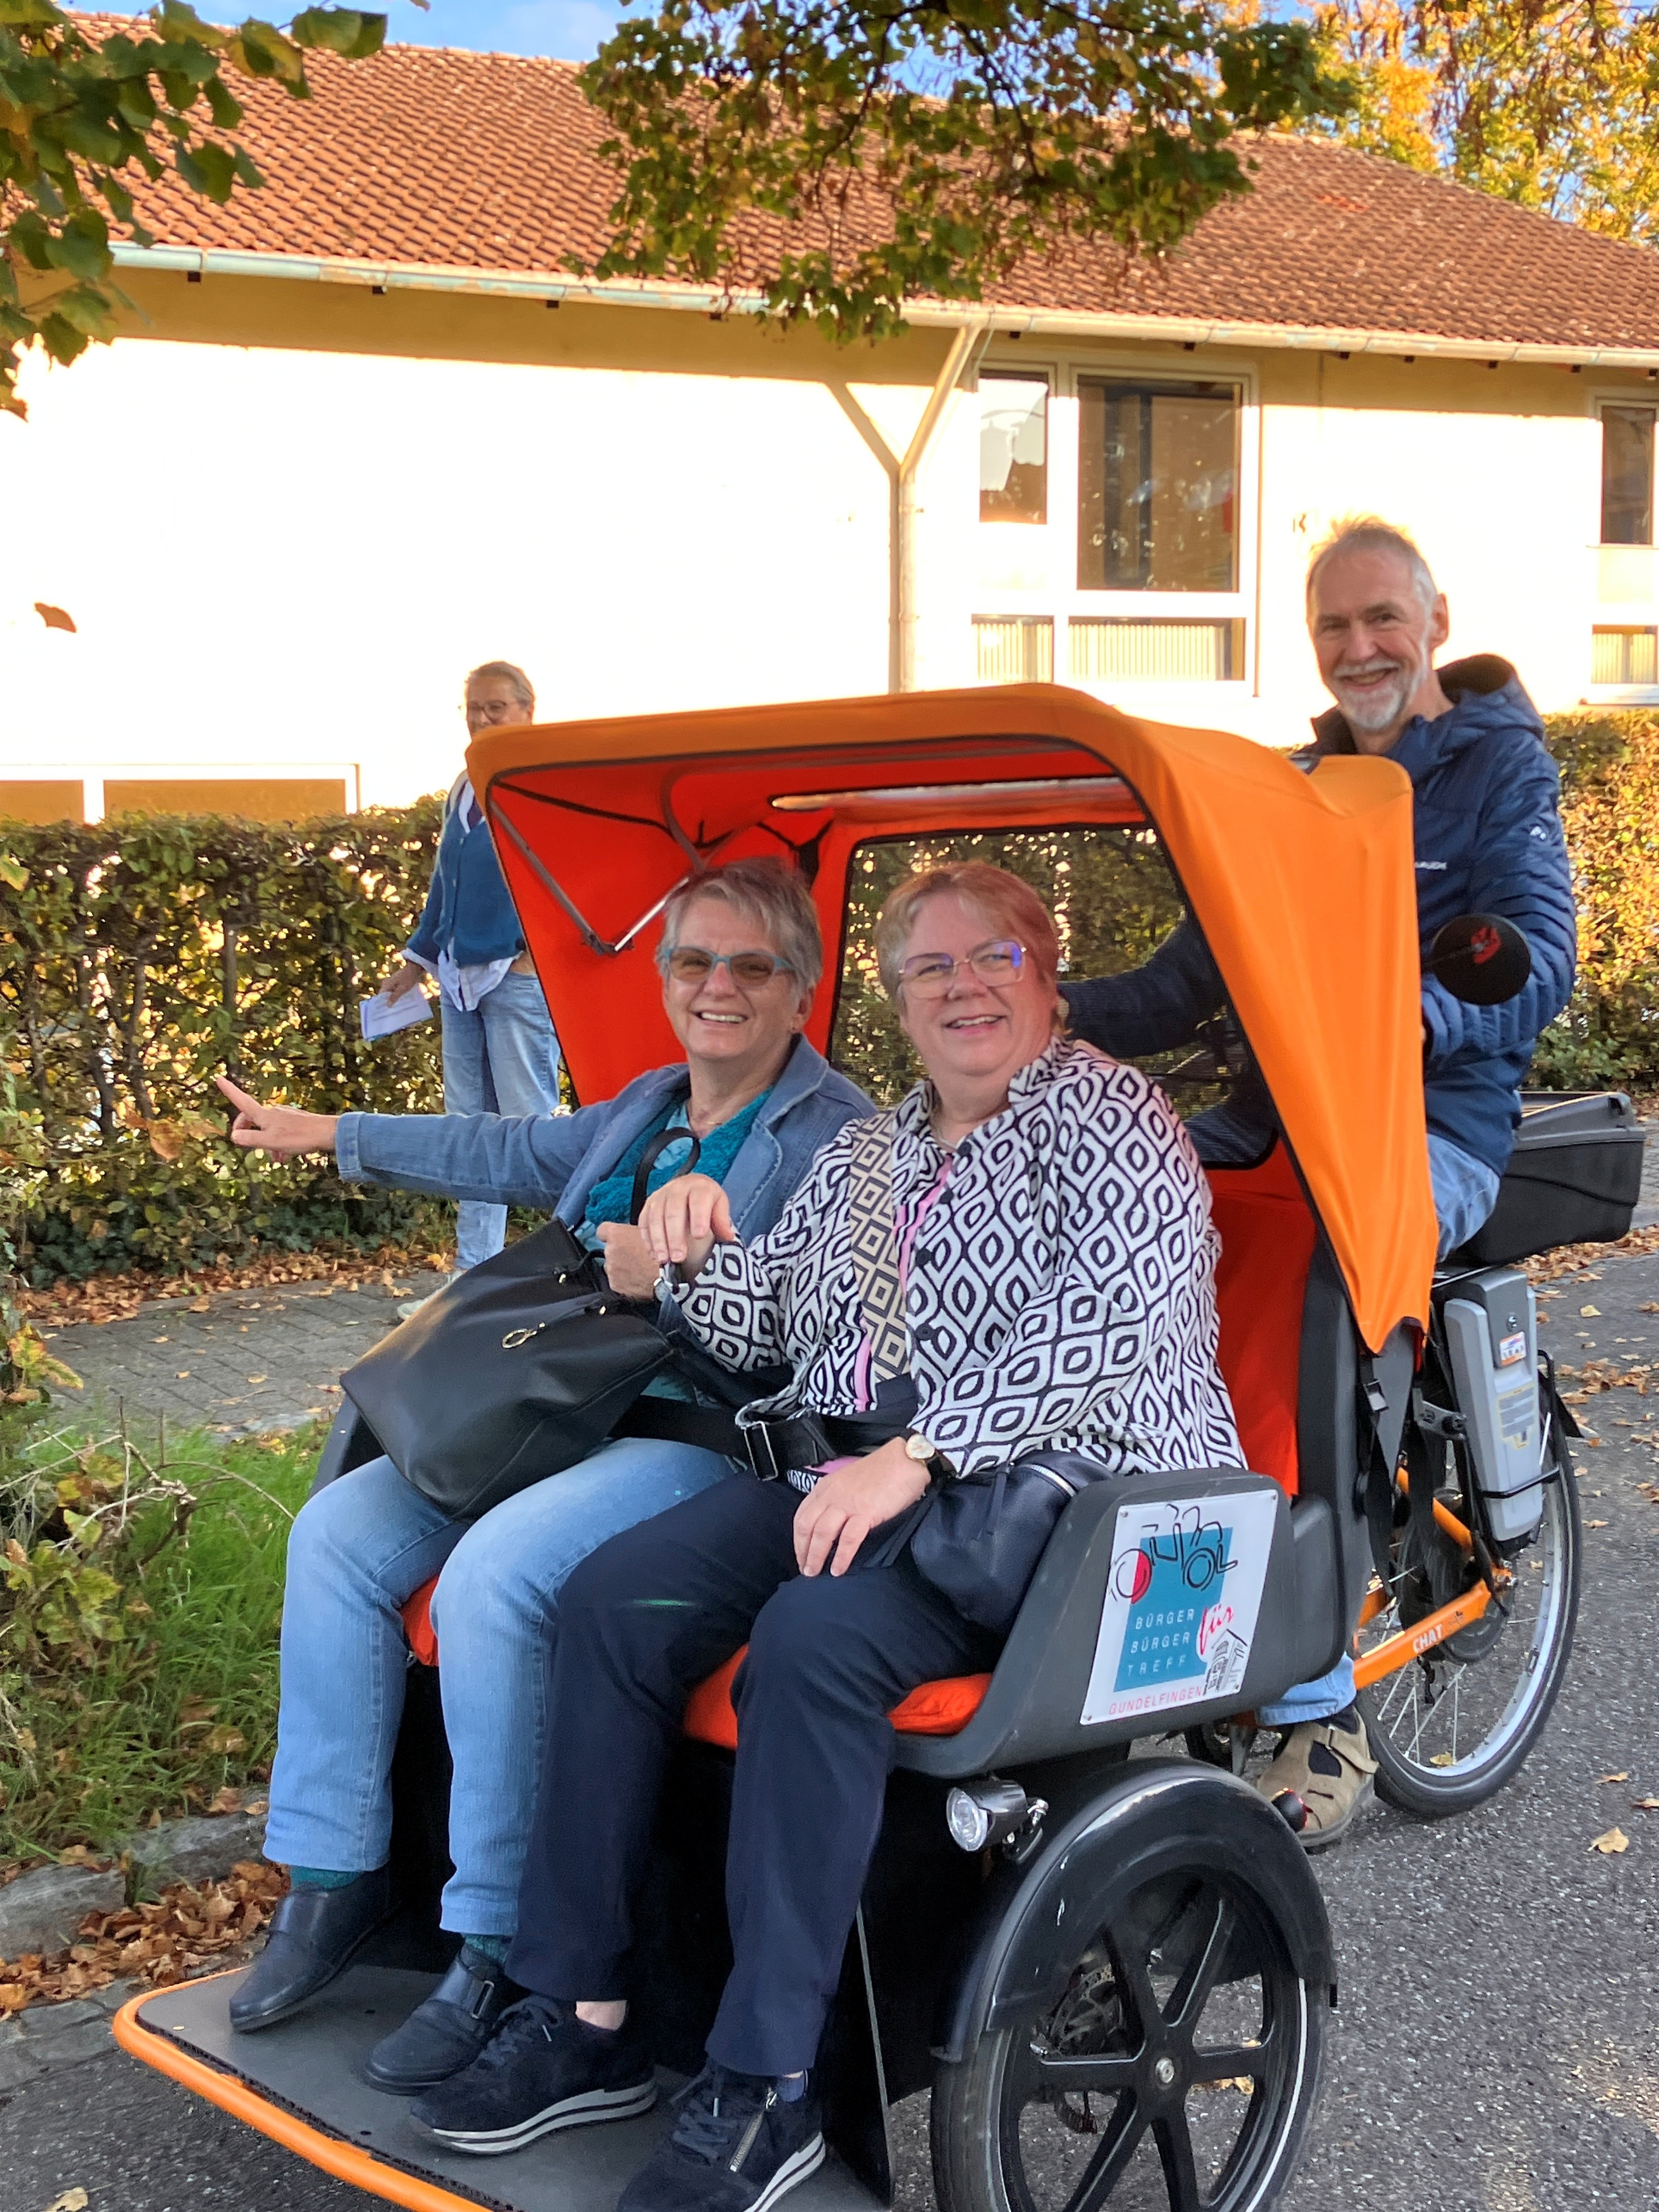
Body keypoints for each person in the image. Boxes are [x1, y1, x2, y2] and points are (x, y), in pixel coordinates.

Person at [408, 861, 1245, 2209]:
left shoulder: (1113, 1120)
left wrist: (923, 1452)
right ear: (897, 999)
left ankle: (770, 2080)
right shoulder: (871, 1152)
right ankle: (583, 2009)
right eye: (930, 967)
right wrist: (688, 1250)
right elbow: (773, 1327)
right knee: (614, 1603)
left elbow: (1108, 1327)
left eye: (993, 959)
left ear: (1045, 975)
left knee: (815, 1640)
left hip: (1076, 1496)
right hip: (861, 1475)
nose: (963, 988)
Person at [210, 859, 871, 2093]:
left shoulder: (839, 1136)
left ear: (802, 988)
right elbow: (501, 1143)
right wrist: (326, 1131)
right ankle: (333, 1876)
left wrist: (686, 1274)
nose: (717, 986)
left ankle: (494, 1938)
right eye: (693, 961)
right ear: (664, 977)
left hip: (696, 1439)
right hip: (555, 1411)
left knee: (497, 1577)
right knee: (336, 1537)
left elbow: (834, 1342)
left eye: (752, 965)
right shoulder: (646, 1105)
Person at [1062, 516, 1578, 1849]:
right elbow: (1187, 982)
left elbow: (1537, 963)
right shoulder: (1294, 787)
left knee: (1314, 1304)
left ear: (1434, 623)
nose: (1360, 648)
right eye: (1333, 627)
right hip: (1277, 1120)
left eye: (1382, 619)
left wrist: (1404, 1022)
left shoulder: (1499, 767)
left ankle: (1321, 1700)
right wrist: (1029, 1008)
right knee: (1115, 1238)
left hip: (1429, 1129)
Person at [383, 661, 562, 1301]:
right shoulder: (465, 785)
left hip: (516, 981)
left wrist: (536, 956)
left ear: (527, 712)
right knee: (471, 1133)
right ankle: (472, 1282)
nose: (482, 720)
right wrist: (416, 960)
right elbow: (445, 886)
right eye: (474, 709)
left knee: (534, 1136)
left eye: (496, 708)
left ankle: (574, 1272)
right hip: (460, 983)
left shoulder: (543, 785)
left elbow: (571, 878)